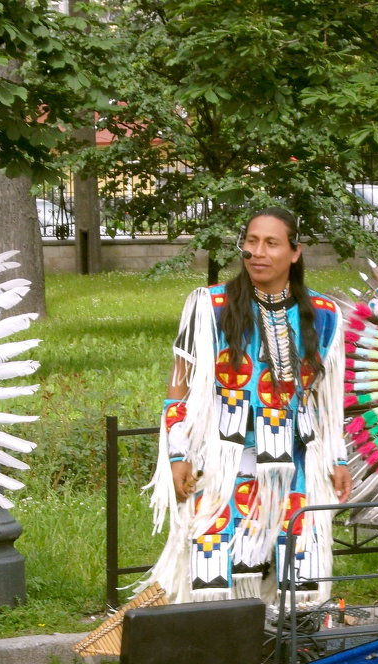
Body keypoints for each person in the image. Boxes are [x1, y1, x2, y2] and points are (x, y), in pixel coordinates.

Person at [141, 206, 351, 606]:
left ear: (295, 252)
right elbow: (178, 386)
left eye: (271, 243)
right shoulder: (209, 306)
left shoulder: (324, 316)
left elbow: (328, 402)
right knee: (214, 558)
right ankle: (220, 652)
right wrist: (178, 452)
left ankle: (289, 650)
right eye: (251, 242)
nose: (257, 252)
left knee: (298, 564)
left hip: (297, 463)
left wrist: (337, 459)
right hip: (224, 461)